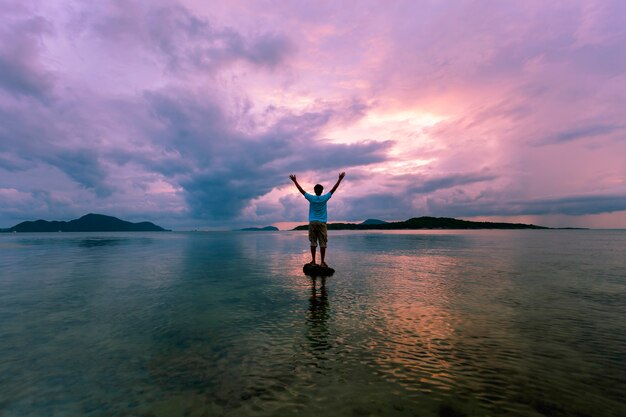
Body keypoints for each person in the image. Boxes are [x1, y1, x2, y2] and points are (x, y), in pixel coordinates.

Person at [289, 172, 345, 267]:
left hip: (313, 222)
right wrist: (340, 179)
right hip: (322, 223)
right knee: (323, 243)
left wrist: (295, 181)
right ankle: (322, 262)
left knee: (313, 242)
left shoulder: (311, 198)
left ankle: (314, 261)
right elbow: (333, 189)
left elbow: (301, 190)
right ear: (322, 191)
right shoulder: (324, 198)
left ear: (314, 191)